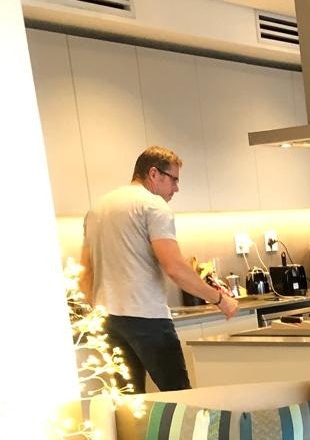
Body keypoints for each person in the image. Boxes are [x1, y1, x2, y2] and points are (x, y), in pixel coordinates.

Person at [78, 145, 238, 392]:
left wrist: (95, 310)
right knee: (179, 396)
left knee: (129, 401)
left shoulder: (97, 209)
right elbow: (174, 267)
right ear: (154, 173)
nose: (176, 188)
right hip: (147, 317)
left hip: (108, 319)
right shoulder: (153, 206)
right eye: (173, 179)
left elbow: (85, 272)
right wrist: (220, 299)